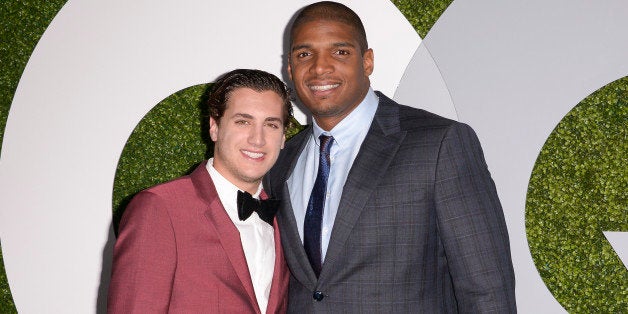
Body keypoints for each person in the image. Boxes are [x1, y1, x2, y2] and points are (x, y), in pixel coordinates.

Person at [264, 2, 517, 312]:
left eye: (340, 52)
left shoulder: (438, 144)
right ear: (289, 68)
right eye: (305, 54)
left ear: (367, 61)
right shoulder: (280, 161)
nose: (319, 67)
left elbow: (486, 291)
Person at [108, 69, 293, 313]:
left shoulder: (286, 220)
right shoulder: (160, 208)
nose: (257, 139)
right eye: (243, 122)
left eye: (271, 125)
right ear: (214, 127)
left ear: (282, 137)